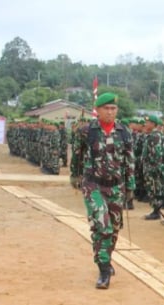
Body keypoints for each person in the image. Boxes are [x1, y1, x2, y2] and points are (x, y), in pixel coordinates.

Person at [70, 92, 135, 289]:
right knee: (102, 224)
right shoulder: (87, 131)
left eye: (113, 108)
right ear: (97, 110)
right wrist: (75, 175)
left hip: (116, 186)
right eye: (106, 108)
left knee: (114, 228)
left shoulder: (124, 132)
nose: (110, 112)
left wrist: (130, 186)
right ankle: (104, 269)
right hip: (93, 185)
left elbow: (129, 161)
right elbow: (77, 155)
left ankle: (106, 256)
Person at [142, 115, 164, 220]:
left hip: (153, 168)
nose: (146, 124)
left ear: (153, 124)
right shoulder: (152, 135)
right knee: (151, 189)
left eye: (148, 122)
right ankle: (155, 210)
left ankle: (156, 211)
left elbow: (157, 153)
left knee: (155, 189)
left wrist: (154, 167)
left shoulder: (155, 136)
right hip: (149, 167)